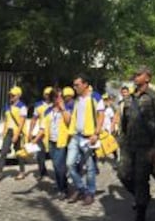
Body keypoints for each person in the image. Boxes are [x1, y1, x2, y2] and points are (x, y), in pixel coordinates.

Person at [118, 65, 155, 221]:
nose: (135, 77)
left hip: (146, 147)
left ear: (147, 77)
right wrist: (121, 141)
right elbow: (124, 122)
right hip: (129, 146)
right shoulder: (129, 98)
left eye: (139, 74)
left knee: (140, 180)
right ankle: (143, 197)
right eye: (135, 74)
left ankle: (140, 217)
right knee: (123, 174)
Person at [66, 74, 105, 206]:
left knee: (90, 167)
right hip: (76, 136)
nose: (74, 87)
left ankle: (90, 193)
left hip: (89, 137)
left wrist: (96, 133)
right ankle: (82, 188)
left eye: (77, 85)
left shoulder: (95, 97)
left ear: (85, 84)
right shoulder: (77, 99)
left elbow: (101, 115)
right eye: (74, 85)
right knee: (70, 164)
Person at [34, 89, 72, 200]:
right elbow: (42, 128)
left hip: (62, 141)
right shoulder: (48, 111)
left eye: (61, 97)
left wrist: (63, 108)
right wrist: (35, 140)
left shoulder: (67, 108)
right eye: (57, 97)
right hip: (51, 142)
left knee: (59, 167)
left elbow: (69, 122)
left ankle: (62, 190)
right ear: (53, 98)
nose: (60, 99)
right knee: (56, 166)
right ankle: (63, 186)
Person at [0, 86, 28, 182]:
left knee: (19, 153)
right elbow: (7, 120)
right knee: (3, 152)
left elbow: (22, 123)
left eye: (13, 95)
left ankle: (22, 172)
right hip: (8, 132)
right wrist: (4, 131)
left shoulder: (22, 106)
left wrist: (16, 135)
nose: (11, 96)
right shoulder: (7, 105)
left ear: (18, 96)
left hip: (17, 132)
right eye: (10, 94)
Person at [28, 86, 53, 180]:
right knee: (40, 153)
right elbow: (34, 119)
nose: (48, 96)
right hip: (42, 133)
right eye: (46, 94)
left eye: (49, 94)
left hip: (53, 133)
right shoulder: (38, 105)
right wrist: (30, 131)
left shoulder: (55, 104)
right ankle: (42, 172)